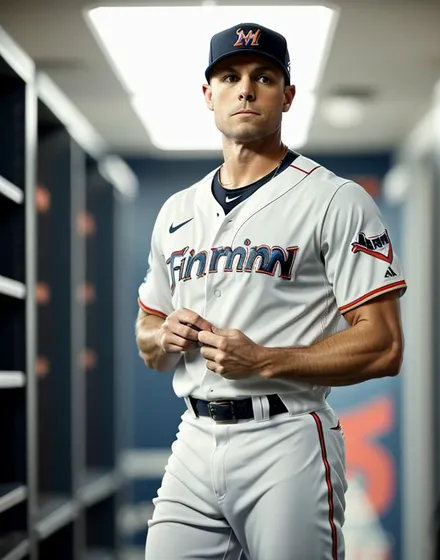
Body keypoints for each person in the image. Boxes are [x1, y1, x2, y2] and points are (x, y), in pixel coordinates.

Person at [135, 21, 406, 560]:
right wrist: (162, 333)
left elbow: (384, 345)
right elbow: (147, 340)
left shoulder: (335, 199)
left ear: (287, 96)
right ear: (208, 94)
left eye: (263, 77)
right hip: (194, 435)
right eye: (230, 76)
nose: (246, 88)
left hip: (286, 437)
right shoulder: (176, 212)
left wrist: (262, 359)